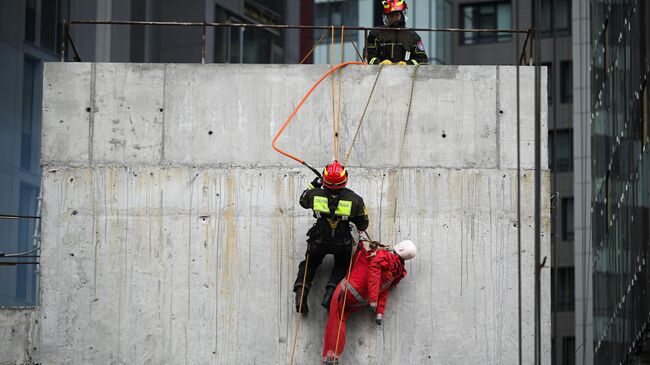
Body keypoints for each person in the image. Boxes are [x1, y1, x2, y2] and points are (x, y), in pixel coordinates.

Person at [321, 239, 417, 364]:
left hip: (347, 291)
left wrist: (373, 299)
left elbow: (373, 274)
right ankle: (334, 356)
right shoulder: (397, 270)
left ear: (400, 247)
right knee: (341, 320)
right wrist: (379, 312)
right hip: (358, 302)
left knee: (335, 319)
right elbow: (384, 290)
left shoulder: (383, 256)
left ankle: (331, 356)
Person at [293, 161, 369, 314]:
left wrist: (314, 184)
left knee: (310, 263)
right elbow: (363, 224)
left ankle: (302, 292)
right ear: (345, 180)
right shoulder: (355, 199)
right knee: (342, 265)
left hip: (319, 239)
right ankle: (330, 294)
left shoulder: (314, 194)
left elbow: (302, 200)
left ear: (324, 179)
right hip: (343, 242)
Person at [365, 0, 428, 65]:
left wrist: (407, 64)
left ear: (402, 15)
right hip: (380, 73)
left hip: (406, 74)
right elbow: (367, 55)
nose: (395, 18)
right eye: (391, 15)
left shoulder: (413, 36)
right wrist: (379, 63)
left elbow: (422, 59)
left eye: (397, 15)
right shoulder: (375, 34)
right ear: (387, 17)